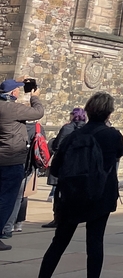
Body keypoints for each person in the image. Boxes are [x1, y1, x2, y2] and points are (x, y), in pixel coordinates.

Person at [37, 91, 123, 278]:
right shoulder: (113, 136)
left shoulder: (73, 136)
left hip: (73, 194)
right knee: (95, 242)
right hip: (101, 194)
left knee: (59, 242)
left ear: (88, 111)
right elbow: (118, 154)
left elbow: (55, 168)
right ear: (109, 113)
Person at [0, 77, 44, 252]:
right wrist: (35, 97)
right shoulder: (11, 109)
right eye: (17, 89)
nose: (20, 91)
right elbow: (38, 112)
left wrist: (14, 80)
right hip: (11, 160)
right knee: (7, 200)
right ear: (12, 93)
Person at [43, 107, 87, 230]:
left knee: (59, 194)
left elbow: (57, 145)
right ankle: (73, 216)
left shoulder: (67, 128)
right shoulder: (87, 130)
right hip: (80, 166)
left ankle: (58, 218)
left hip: (65, 165)